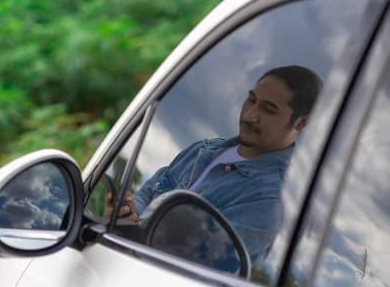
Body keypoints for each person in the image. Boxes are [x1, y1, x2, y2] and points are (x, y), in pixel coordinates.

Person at [108, 65, 322, 264]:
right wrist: (127, 211)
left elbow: (199, 258)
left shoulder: (273, 197)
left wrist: (137, 229)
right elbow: (147, 194)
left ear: (301, 122)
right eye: (251, 100)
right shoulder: (203, 150)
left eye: (268, 109)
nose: (249, 115)